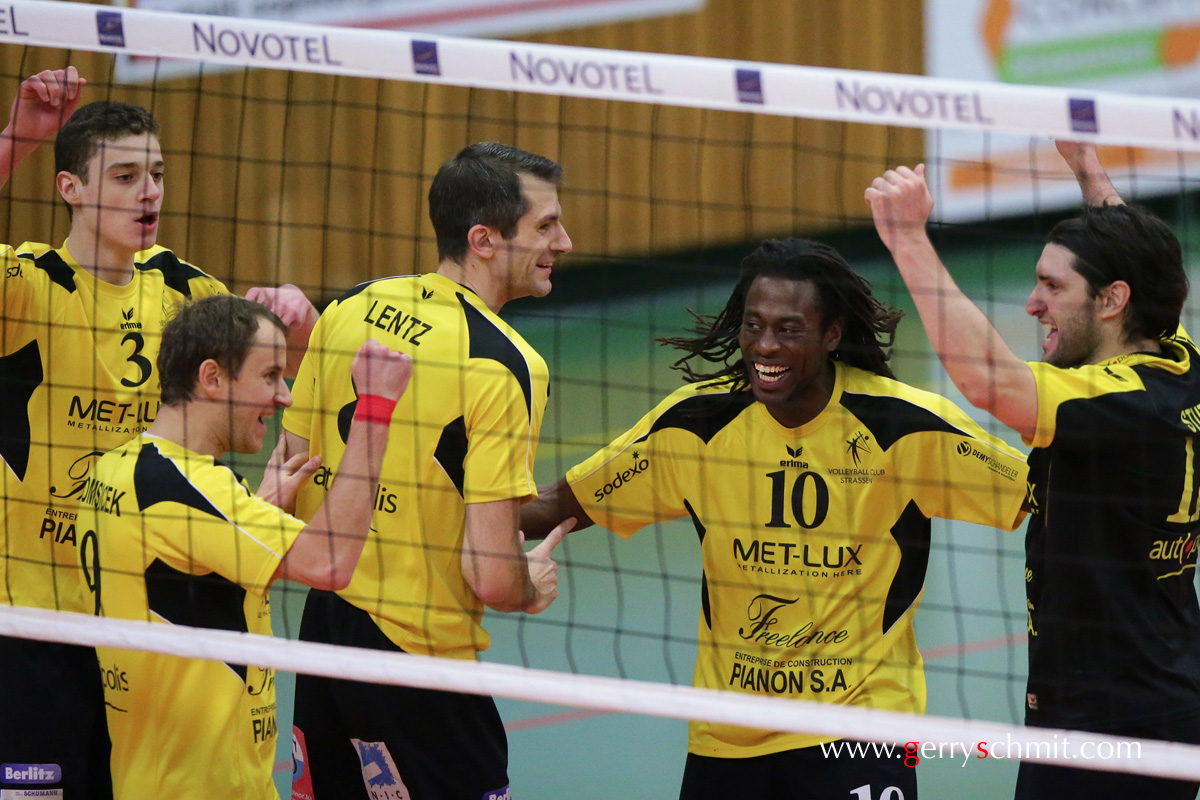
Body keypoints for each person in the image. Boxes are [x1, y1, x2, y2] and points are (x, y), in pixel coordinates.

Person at [520, 237, 1030, 799]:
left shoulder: (901, 426)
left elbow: (1036, 493)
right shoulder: (698, 423)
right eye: (753, 324)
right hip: (728, 737)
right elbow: (558, 505)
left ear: (831, 334)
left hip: (861, 728)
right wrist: (429, 508)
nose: (764, 345)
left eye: (789, 329)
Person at [0, 68, 318, 798]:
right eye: (125, 174)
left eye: (157, 173)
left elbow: (258, 388)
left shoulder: (184, 288)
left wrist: (293, 325)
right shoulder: (27, 284)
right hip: (36, 621)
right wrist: (21, 135)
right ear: (71, 189)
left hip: (147, 630)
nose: (149, 191)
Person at [866, 144, 1200, 799]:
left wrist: (905, 237)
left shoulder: (1115, 405)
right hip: (1159, 692)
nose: (1032, 304)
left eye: (1052, 286)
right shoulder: (1179, 361)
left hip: (1106, 726)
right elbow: (1142, 265)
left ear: (1111, 301)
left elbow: (990, 382)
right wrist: (1088, 170)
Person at [282, 142, 575, 800]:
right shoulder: (504, 364)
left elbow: (290, 473)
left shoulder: (350, 306)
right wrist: (528, 584)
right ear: (485, 239)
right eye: (546, 226)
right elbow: (491, 576)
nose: (566, 240)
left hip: (323, 629)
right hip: (420, 662)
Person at [75, 295, 411, 799]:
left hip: (151, 777)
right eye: (270, 375)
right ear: (212, 378)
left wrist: (251, 509)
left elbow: (179, 584)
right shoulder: (184, 490)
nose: (286, 397)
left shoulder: (117, 469)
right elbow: (330, 561)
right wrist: (375, 410)